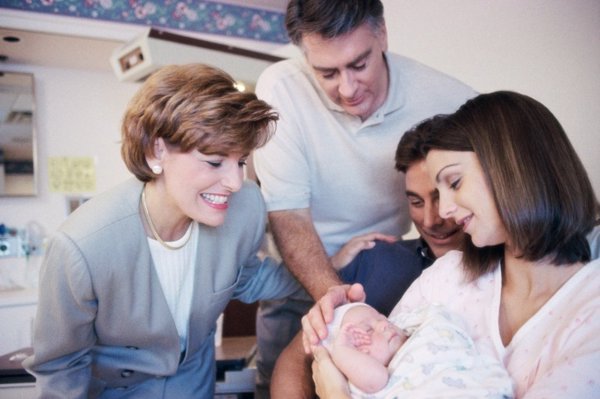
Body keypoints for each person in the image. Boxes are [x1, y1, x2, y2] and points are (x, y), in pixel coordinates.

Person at [22, 64, 302, 398]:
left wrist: (328, 269)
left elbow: (246, 277)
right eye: (214, 162)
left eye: (241, 161)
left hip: (195, 388)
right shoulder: (82, 247)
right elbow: (61, 366)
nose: (235, 182)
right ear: (158, 151)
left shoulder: (244, 209)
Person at [303, 91, 600, 398]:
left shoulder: (592, 311)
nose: (443, 211)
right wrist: (339, 322)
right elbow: (378, 381)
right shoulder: (448, 275)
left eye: (454, 182)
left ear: (514, 168)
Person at [252, 0, 476, 394]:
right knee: (281, 375)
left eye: (359, 65)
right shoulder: (280, 89)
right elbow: (288, 215)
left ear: (382, 34)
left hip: (381, 274)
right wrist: (338, 309)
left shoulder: (447, 98)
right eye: (327, 72)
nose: (348, 88)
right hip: (299, 280)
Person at [269, 117, 466, 397]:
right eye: (416, 202)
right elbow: (294, 360)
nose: (431, 220)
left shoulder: (507, 274)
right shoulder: (376, 262)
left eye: (440, 197)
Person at [323, 303, 513, 398]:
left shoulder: (419, 333)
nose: (382, 324)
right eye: (368, 330)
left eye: (382, 317)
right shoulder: (362, 378)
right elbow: (374, 380)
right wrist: (340, 351)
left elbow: (443, 318)